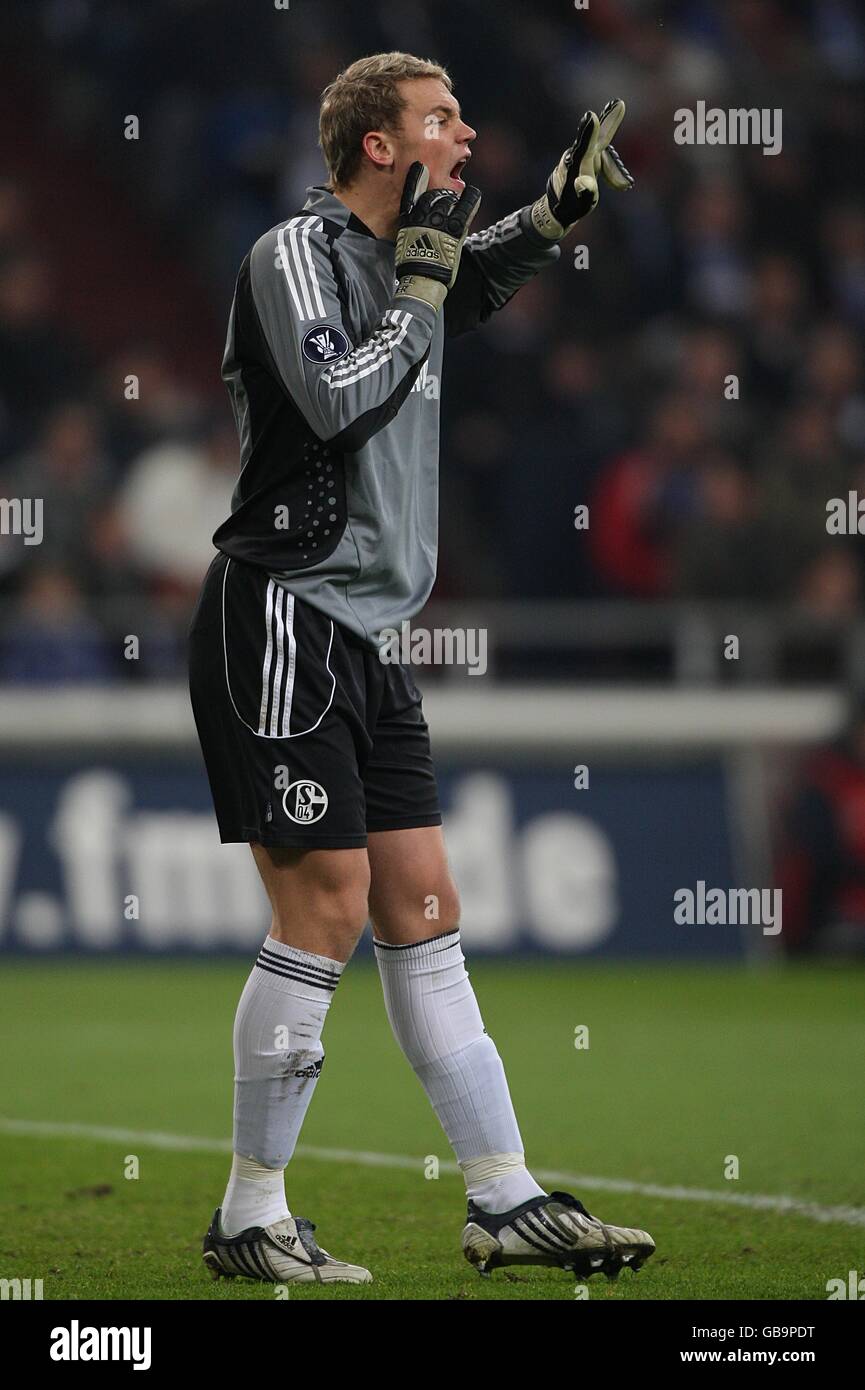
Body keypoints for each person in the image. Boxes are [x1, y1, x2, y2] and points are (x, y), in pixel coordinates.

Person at [189, 50, 655, 1286]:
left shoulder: (413, 263)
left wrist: (549, 216)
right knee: (325, 908)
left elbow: (463, 277)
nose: (465, 133)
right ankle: (250, 1211)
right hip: (285, 609)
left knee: (424, 910)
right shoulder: (289, 255)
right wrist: (423, 286)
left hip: (372, 636)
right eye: (440, 119)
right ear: (379, 145)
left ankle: (502, 1196)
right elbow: (343, 397)